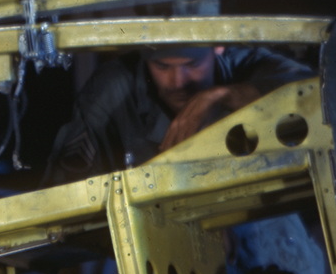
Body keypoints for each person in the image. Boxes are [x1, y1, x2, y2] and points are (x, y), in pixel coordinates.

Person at [46, 37, 278, 180]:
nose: (178, 82)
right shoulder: (112, 91)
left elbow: (308, 88)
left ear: (218, 46)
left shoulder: (248, 63)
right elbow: (67, 192)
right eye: (162, 66)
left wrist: (223, 96)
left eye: (192, 64)